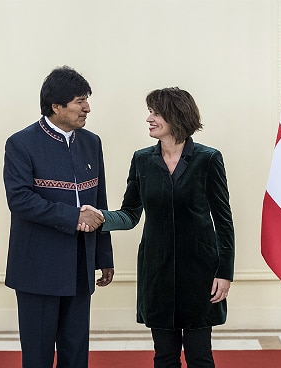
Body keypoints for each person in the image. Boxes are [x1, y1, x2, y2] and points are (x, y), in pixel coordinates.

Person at [83, 87, 234, 368]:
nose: (149, 119)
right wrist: (101, 217)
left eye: (155, 112)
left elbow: (223, 220)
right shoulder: (142, 159)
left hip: (200, 271)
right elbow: (129, 214)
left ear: (176, 115)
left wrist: (224, 273)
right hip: (158, 270)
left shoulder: (208, 159)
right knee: (164, 357)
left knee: (200, 356)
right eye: (150, 112)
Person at [3, 65, 114, 368]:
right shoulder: (20, 144)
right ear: (56, 106)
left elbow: (98, 203)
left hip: (81, 266)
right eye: (80, 101)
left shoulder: (92, 142)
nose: (87, 108)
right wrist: (74, 216)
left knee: (76, 354)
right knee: (38, 356)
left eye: (86, 100)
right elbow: (21, 201)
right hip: (37, 269)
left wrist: (104, 257)